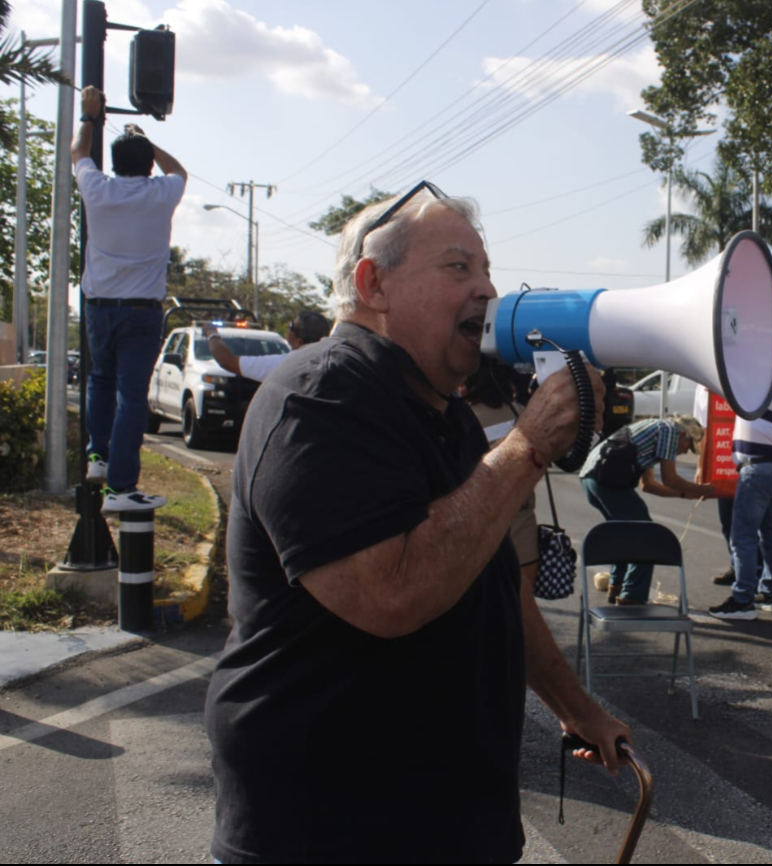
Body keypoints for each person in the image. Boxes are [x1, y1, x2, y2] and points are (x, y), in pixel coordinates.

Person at [204, 184, 630, 864]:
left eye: (487, 271)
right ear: (373, 284)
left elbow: (494, 594)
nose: (486, 290)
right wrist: (524, 449)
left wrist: (575, 706)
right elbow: (389, 594)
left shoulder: (445, 414)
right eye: (458, 268)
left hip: (445, 822)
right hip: (332, 829)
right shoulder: (322, 397)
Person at [72, 85, 186, 512]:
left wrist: (89, 114)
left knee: (100, 380)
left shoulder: (97, 191)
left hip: (98, 308)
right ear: (146, 164)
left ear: (115, 164)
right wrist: (146, 138)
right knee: (131, 397)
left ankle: (97, 456)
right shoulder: (161, 195)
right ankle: (120, 489)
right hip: (141, 312)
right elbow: (179, 170)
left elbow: (78, 152)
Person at [580, 414, 714, 605]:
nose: (685, 452)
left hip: (592, 478)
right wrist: (700, 489)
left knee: (623, 532)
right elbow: (670, 478)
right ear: (684, 434)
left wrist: (684, 495)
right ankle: (632, 596)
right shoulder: (669, 431)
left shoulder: (654, 430)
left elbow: (648, 485)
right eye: (689, 446)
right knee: (646, 534)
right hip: (605, 479)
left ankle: (616, 585)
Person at [709, 372, 772, 620]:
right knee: (771, 534)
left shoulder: (757, 397)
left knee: (743, 537)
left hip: (757, 471)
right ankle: (769, 593)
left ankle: (742, 599)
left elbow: (725, 379)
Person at [461, 356, 539, 588]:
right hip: (522, 524)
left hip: (474, 527)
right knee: (521, 610)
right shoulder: (522, 412)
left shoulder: (463, 417)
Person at [693, 383, 762, 586]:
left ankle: (756, 573)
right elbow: (701, 431)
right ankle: (738, 566)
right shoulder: (701, 389)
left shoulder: (738, 381)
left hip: (748, 458)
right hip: (721, 462)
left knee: (751, 522)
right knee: (728, 521)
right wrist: (701, 467)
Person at [201, 310, 330, 382]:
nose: (287, 328)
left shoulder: (287, 364)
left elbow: (227, 361)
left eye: (291, 325)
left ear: (299, 342)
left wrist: (212, 334)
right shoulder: (333, 362)